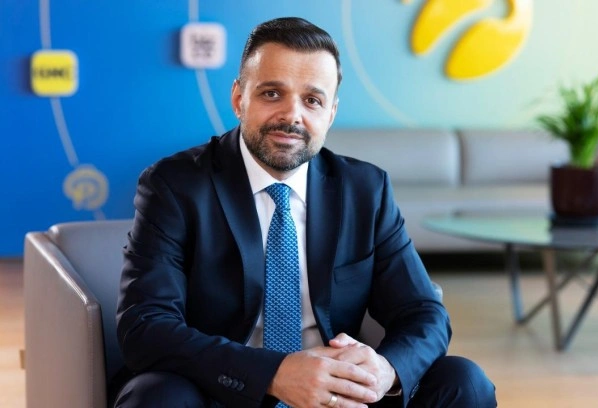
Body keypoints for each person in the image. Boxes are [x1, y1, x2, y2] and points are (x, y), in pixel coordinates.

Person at [114, 16, 497, 408]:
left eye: (312, 100)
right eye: (272, 93)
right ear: (239, 99)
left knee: (463, 381)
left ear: (330, 113)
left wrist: (385, 370)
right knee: (157, 397)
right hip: (224, 392)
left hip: (339, 396)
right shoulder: (174, 185)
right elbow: (145, 325)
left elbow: (424, 312)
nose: (292, 116)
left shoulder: (366, 189)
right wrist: (273, 374)